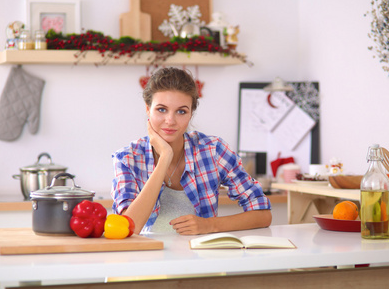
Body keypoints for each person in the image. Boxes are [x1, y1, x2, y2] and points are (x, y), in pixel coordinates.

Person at [111, 67, 271, 235]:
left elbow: (263, 215)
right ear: (147, 109)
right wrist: (165, 157)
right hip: (147, 258)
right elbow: (129, 228)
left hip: (201, 258)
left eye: (181, 111)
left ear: (191, 113)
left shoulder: (212, 150)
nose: (170, 120)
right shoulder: (127, 158)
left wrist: (209, 225)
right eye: (161, 109)